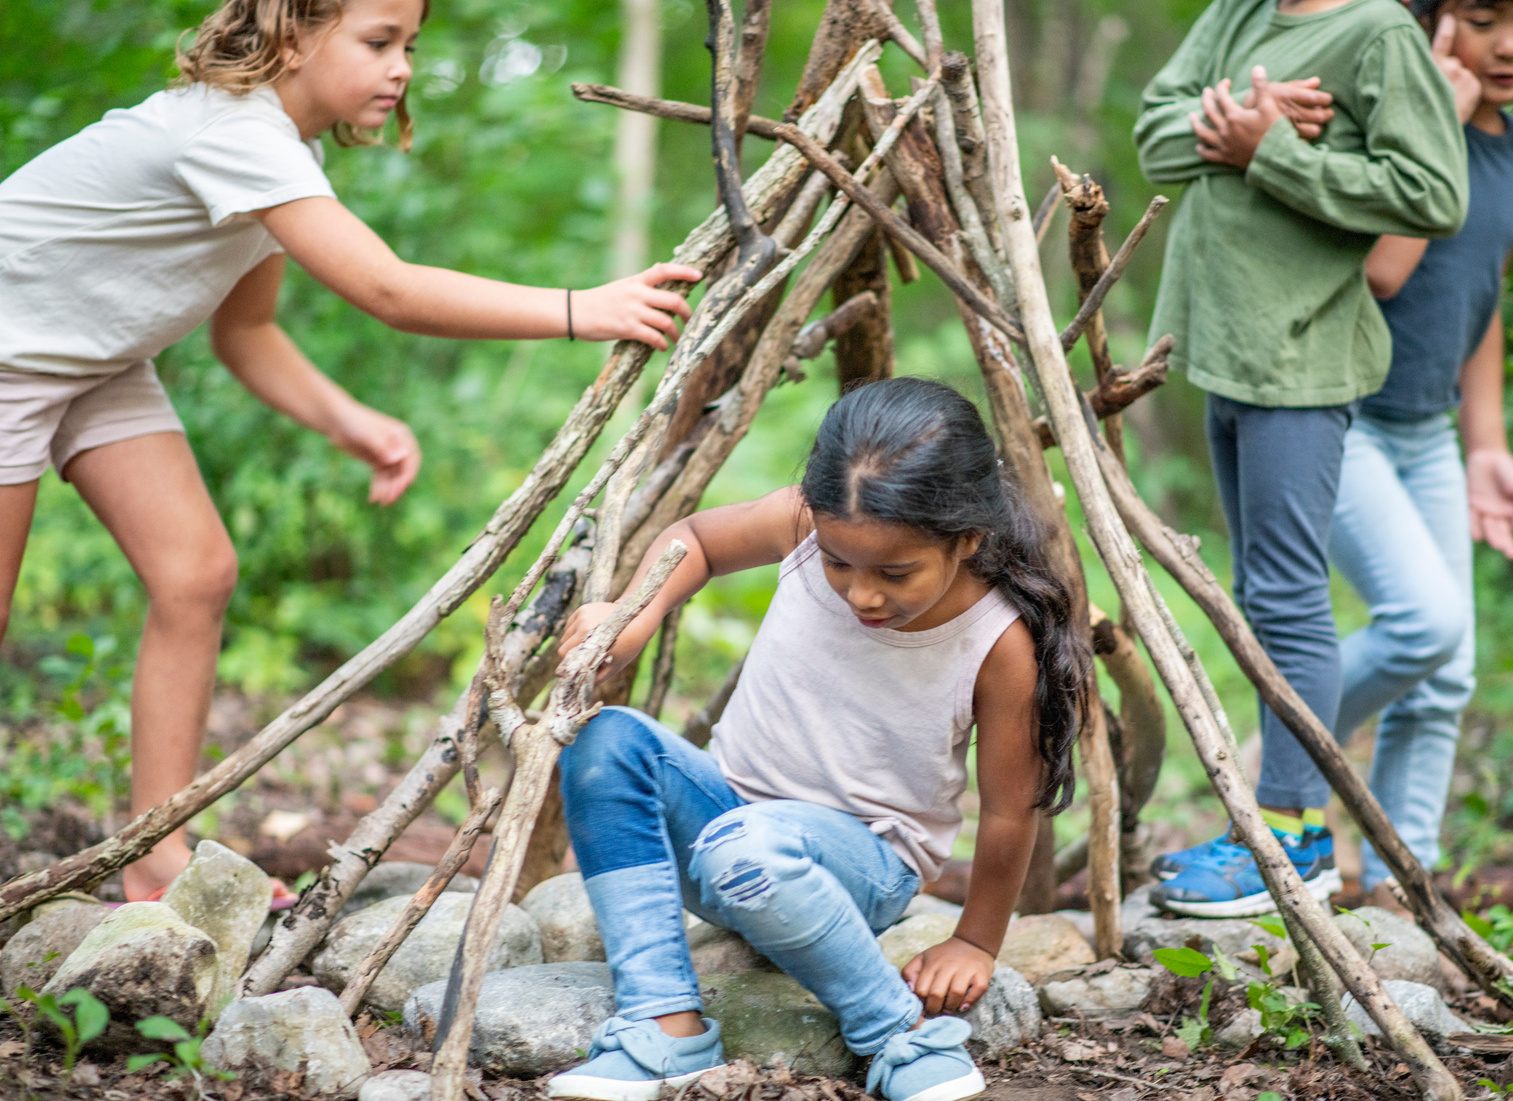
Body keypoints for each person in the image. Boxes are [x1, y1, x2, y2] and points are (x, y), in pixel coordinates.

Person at [0, 0, 700, 903]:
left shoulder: (289, 154)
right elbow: (389, 289)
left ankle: (154, 850)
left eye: (409, 44)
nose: (403, 66)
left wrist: (349, 422)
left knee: (196, 571)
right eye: (379, 43)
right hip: (11, 348)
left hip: (89, 361)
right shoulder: (232, 131)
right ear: (293, 36)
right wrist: (579, 308)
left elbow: (246, 333)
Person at [543, 378, 1090, 1101]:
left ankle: (896, 1032)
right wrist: (632, 614)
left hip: (860, 862)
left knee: (748, 843)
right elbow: (697, 539)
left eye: (895, 572)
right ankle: (665, 1022)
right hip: (724, 823)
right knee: (604, 740)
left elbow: (1009, 810)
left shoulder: (996, 643)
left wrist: (975, 939)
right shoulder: (805, 524)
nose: (861, 594)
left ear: (967, 538)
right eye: (840, 564)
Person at [1134, 0, 1471, 918]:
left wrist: (1270, 152)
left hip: (1303, 360)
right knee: (1257, 595)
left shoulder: (1379, 34)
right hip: (1227, 349)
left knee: (1287, 596)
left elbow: (1434, 192)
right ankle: (1268, 823)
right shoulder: (1237, 13)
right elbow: (1155, 134)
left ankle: (1293, 833)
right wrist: (1234, 119)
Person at [1330, 0, 1513, 905]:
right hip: (1337, 416)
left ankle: (1399, 886)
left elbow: (1479, 294)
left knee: (1446, 674)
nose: (1508, 46)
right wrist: (1434, 128)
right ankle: (1274, 749)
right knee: (1422, 623)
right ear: (1433, 18)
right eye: (1482, 17)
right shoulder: (1394, 122)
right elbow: (1382, 269)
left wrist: (1486, 442)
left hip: (1429, 431)